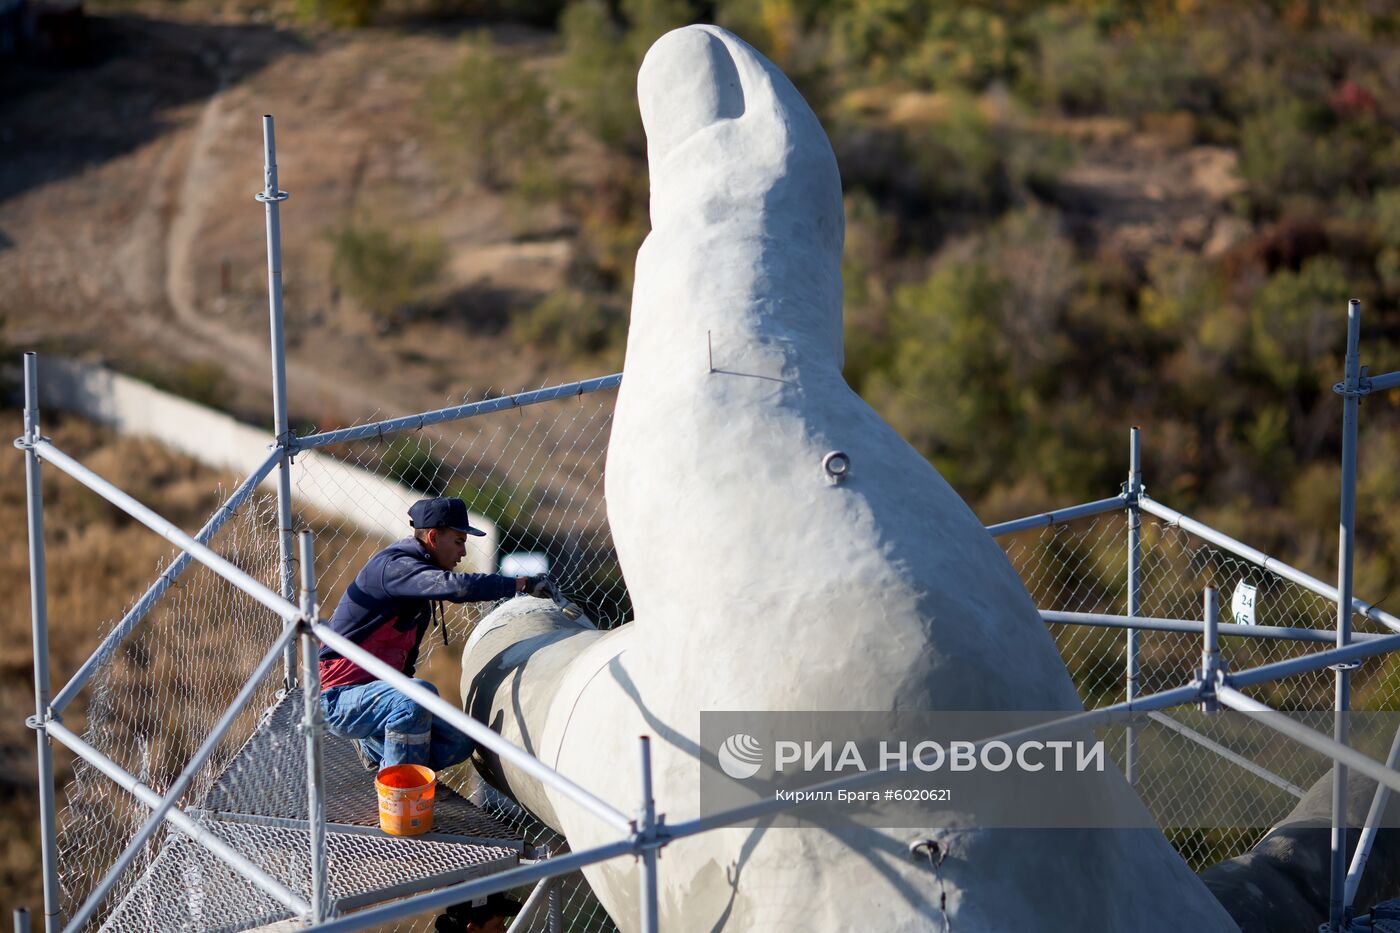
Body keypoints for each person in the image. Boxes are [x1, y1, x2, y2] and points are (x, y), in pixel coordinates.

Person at [318, 496, 551, 771]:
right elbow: (456, 588)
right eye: (458, 541)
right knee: (417, 696)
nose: (463, 553)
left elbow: (403, 666)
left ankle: (378, 749)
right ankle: (399, 795)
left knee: (460, 742)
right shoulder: (395, 567)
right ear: (432, 537)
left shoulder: (415, 583)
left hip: (378, 696)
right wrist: (520, 584)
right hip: (340, 698)